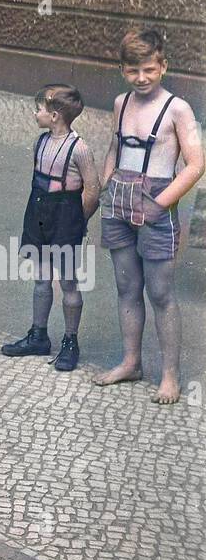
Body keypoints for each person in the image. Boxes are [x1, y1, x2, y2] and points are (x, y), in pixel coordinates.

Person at [96, 28, 203, 404]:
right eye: (132, 71)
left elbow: (195, 165)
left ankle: (170, 375)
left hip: (156, 204)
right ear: (122, 70)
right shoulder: (120, 103)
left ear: (163, 66)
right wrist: (103, 188)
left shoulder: (178, 108)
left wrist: (161, 204)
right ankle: (131, 362)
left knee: (160, 292)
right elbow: (114, 147)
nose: (141, 78)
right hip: (119, 205)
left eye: (148, 70)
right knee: (127, 288)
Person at [0, 85, 101, 372]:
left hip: (65, 216)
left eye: (39, 109)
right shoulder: (40, 143)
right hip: (39, 212)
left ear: (54, 115)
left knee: (68, 282)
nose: (36, 114)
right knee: (42, 278)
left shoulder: (79, 148)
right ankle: (38, 334)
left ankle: (70, 341)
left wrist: (75, 222)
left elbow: (92, 190)